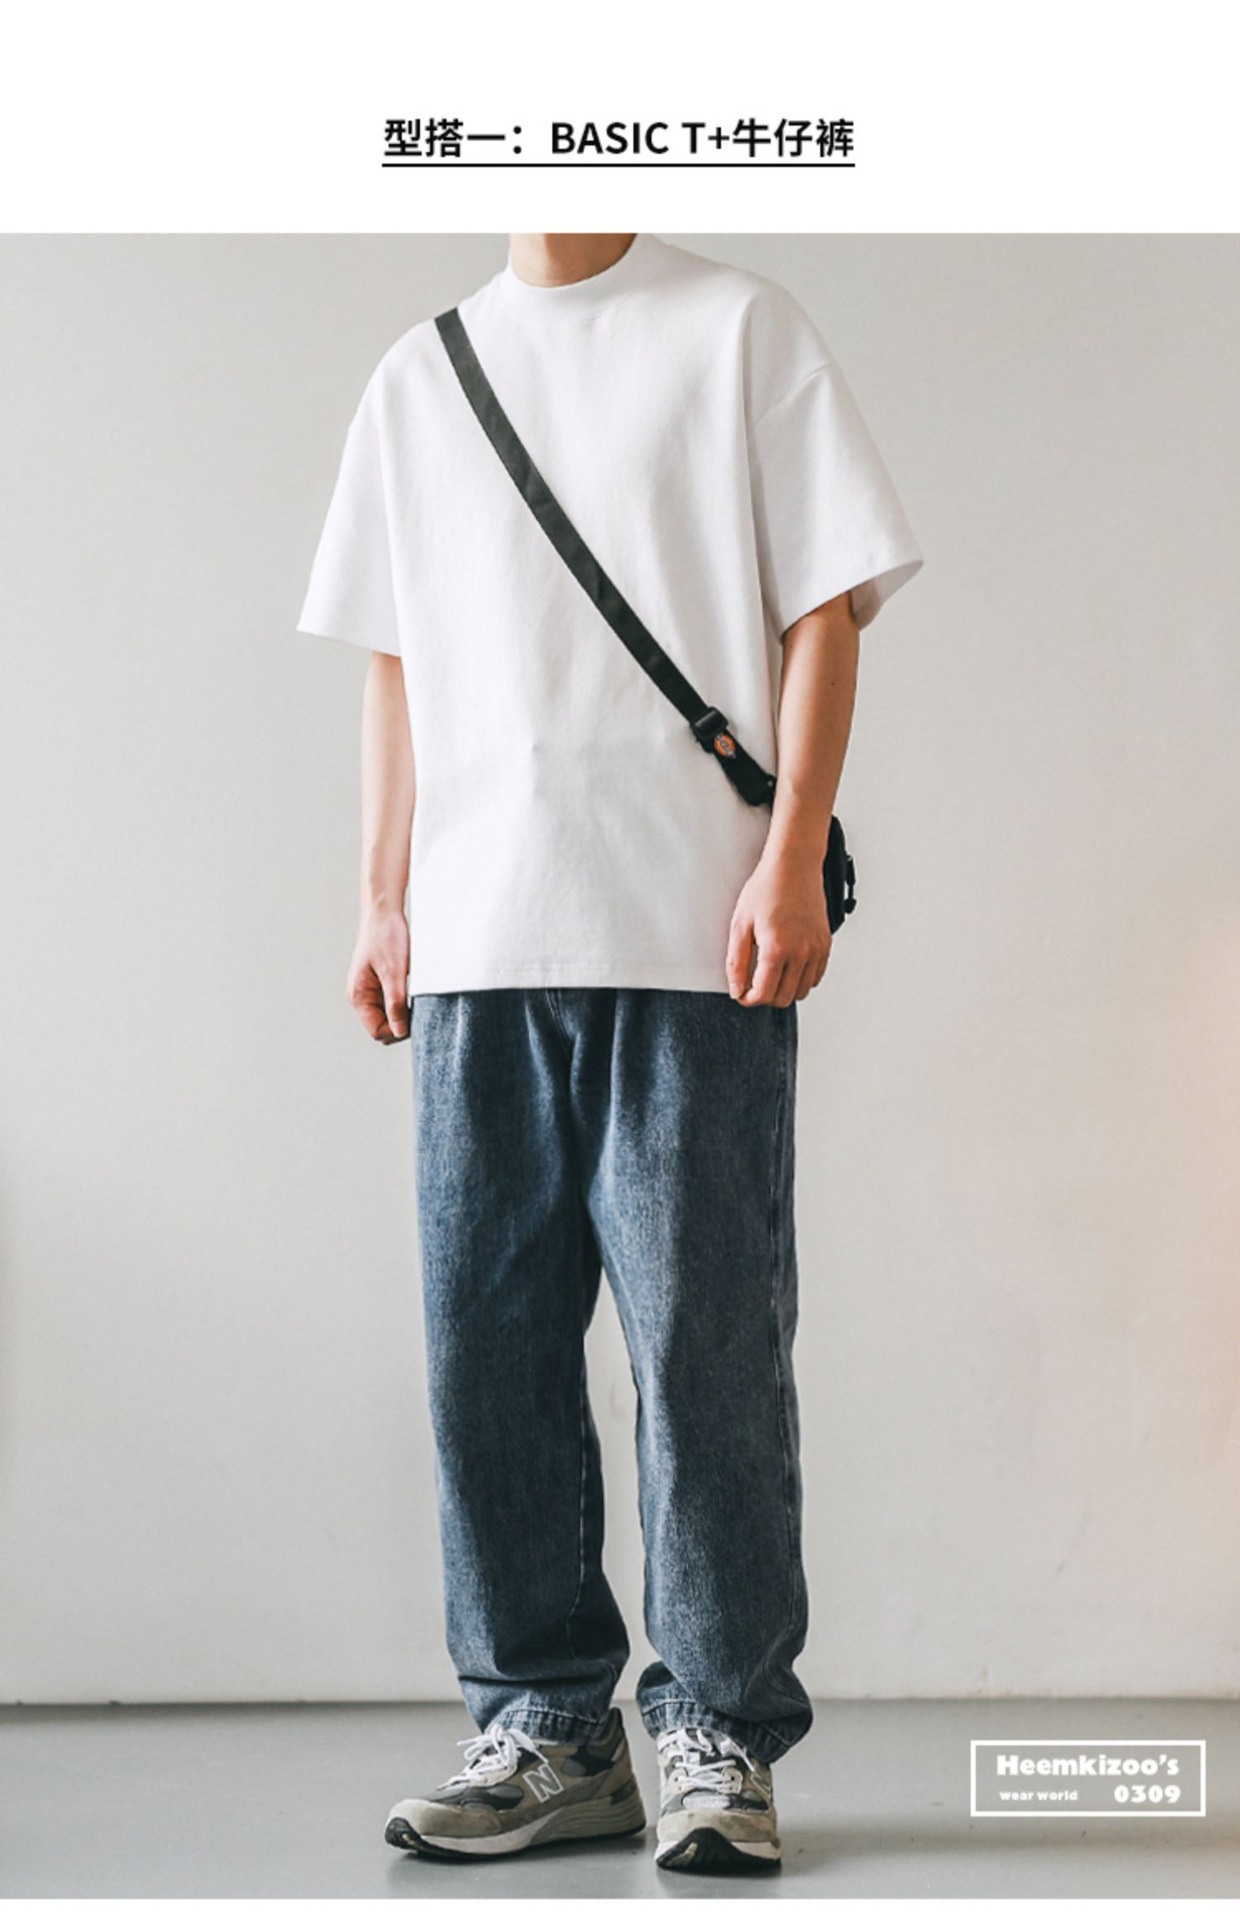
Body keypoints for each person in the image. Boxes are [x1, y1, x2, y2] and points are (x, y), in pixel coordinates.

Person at [296, 232, 922, 1876]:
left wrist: (792, 855)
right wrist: (381, 899)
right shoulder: (420, 376)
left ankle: (719, 1727)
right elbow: (398, 665)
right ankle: (549, 1730)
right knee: (485, 1358)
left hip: (689, 934)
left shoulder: (738, 331)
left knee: (706, 1355)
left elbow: (827, 611)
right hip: (478, 946)